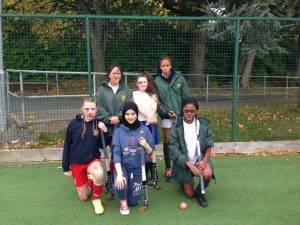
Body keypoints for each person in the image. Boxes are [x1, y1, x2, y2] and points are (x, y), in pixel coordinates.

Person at [62, 97, 107, 215]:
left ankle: (97, 199)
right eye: (87, 109)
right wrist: (65, 167)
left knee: (98, 172)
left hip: (92, 160)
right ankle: (90, 181)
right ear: (82, 109)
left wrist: (105, 131)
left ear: (96, 110)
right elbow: (67, 145)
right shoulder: (73, 124)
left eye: (92, 109)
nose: (89, 111)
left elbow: (103, 145)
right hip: (76, 162)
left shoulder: (98, 124)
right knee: (84, 197)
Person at [169, 97, 215, 207]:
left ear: (197, 111)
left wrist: (204, 160)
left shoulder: (202, 125)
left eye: (192, 111)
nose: (189, 114)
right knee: (189, 195)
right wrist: (190, 165)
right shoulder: (177, 127)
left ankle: (200, 193)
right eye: (186, 111)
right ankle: (183, 181)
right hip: (185, 163)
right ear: (182, 111)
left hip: (200, 159)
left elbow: (209, 145)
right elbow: (174, 150)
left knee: (208, 174)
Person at [95, 64, 133, 199]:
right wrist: (109, 118)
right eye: (113, 73)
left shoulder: (127, 90)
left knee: (119, 154)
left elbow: (129, 106)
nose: (116, 75)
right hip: (106, 128)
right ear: (109, 75)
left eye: (118, 73)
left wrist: (119, 117)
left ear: (121, 76)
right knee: (108, 155)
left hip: (122, 128)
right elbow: (98, 107)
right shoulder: (101, 90)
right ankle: (108, 180)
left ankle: (119, 177)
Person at [112, 102, 154, 216]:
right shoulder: (118, 132)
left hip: (138, 168)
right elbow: (116, 153)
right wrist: (119, 173)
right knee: (120, 186)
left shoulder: (144, 130)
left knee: (134, 203)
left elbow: (150, 152)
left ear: (137, 114)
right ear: (123, 115)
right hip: (123, 167)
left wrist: (146, 145)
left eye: (133, 113)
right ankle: (122, 200)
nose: (130, 117)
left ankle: (130, 195)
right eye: (127, 114)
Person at [154, 55, 190, 182]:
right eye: (163, 66)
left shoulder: (179, 78)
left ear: (171, 66)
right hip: (166, 116)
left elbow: (186, 96)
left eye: (167, 65)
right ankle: (168, 168)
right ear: (160, 67)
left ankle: (181, 166)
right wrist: (166, 112)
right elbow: (157, 102)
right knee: (168, 141)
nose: (165, 68)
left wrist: (183, 112)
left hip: (181, 115)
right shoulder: (157, 81)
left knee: (181, 140)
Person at [133, 71, 159, 185]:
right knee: (141, 148)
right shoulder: (135, 94)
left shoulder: (153, 93)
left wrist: (152, 116)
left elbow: (154, 106)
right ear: (136, 83)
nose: (143, 84)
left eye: (145, 82)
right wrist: (149, 116)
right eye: (140, 82)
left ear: (148, 82)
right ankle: (142, 173)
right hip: (141, 123)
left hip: (152, 122)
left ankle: (154, 174)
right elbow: (138, 107)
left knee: (151, 149)